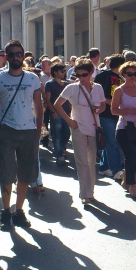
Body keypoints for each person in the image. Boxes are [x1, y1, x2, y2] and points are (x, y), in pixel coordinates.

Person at [0, 39, 43, 231]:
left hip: (28, 131)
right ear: (6, 57)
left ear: (24, 56)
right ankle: (6, 211)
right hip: (6, 130)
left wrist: (38, 130)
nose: (16, 57)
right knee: (6, 173)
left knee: (26, 172)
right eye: (12, 54)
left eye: (20, 54)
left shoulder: (33, 79)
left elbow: (38, 106)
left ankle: (19, 211)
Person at [54, 58, 106, 204]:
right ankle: (85, 194)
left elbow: (103, 105)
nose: (81, 78)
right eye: (78, 75)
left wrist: (100, 109)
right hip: (78, 129)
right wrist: (69, 121)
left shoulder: (98, 88)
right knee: (82, 162)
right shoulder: (72, 88)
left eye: (84, 75)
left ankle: (90, 191)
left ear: (91, 73)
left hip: (94, 128)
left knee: (91, 162)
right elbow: (57, 104)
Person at [111, 61, 136, 198]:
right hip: (124, 128)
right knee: (130, 155)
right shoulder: (119, 90)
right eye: (129, 74)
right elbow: (113, 110)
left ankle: (127, 173)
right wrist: (129, 111)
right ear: (123, 74)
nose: (132, 76)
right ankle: (132, 185)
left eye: (135, 73)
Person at [94, 54, 125, 179]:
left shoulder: (122, 78)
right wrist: (110, 102)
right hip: (105, 114)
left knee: (111, 142)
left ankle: (103, 167)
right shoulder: (103, 75)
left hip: (116, 114)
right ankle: (116, 169)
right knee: (113, 142)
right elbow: (96, 94)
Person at [44, 63, 71, 166]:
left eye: (64, 71)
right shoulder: (49, 84)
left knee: (66, 134)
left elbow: (69, 99)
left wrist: (70, 111)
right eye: (62, 71)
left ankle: (60, 149)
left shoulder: (67, 84)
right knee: (57, 135)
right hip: (56, 114)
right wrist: (53, 111)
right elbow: (48, 99)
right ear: (55, 72)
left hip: (66, 113)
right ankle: (59, 155)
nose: (64, 73)